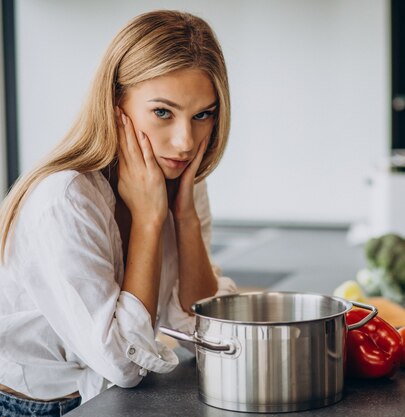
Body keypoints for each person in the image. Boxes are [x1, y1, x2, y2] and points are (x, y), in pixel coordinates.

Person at [0, 10, 237, 416]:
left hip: (110, 396)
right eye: (163, 112)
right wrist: (148, 222)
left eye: (203, 115)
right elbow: (125, 363)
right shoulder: (67, 198)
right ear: (115, 103)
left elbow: (201, 332)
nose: (184, 141)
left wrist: (184, 219)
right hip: (33, 407)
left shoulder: (180, 178)